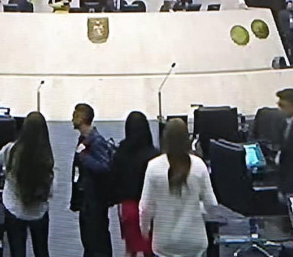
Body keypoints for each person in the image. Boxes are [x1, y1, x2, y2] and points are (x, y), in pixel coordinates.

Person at [139, 118, 217, 257]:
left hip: (164, 242)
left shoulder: (154, 167)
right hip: (194, 241)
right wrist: (198, 210)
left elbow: (145, 208)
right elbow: (211, 204)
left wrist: (145, 230)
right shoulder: (199, 165)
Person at [0, 112, 54, 257]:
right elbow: (51, 191)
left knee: (17, 251)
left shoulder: (10, 150)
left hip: (14, 210)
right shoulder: (46, 156)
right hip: (38, 212)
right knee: (41, 250)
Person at [111, 112, 158, 257]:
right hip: (150, 208)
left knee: (130, 248)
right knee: (150, 249)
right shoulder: (154, 155)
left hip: (128, 207)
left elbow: (114, 179)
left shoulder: (120, 152)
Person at [70, 103, 114, 257]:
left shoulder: (96, 142)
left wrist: (84, 158)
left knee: (97, 242)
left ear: (82, 118)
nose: (72, 118)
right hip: (86, 200)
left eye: (75, 114)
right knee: (88, 242)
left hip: (95, 201)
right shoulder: (84, 140)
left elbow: (104, 167)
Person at [278, 1, 293, 65]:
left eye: (292, 5)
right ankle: (286, 60)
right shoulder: (282, 13)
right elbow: (281, 23)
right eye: (289, 5)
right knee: (286, 47)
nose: (291, 6)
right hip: (285, 32)